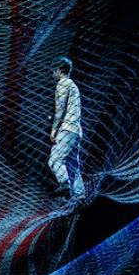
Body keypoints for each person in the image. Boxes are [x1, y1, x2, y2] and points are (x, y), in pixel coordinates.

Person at [48, 57, 85, 201]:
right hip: (76, 130)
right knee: (71, 165)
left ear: (60, 70)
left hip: (67, 129)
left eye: (54, 70)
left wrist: (54, 130)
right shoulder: (73, 85)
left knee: (54, 161)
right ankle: (80, 195)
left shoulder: (63, 84)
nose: (52, 73)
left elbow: (60, 109)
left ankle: (65, 186)